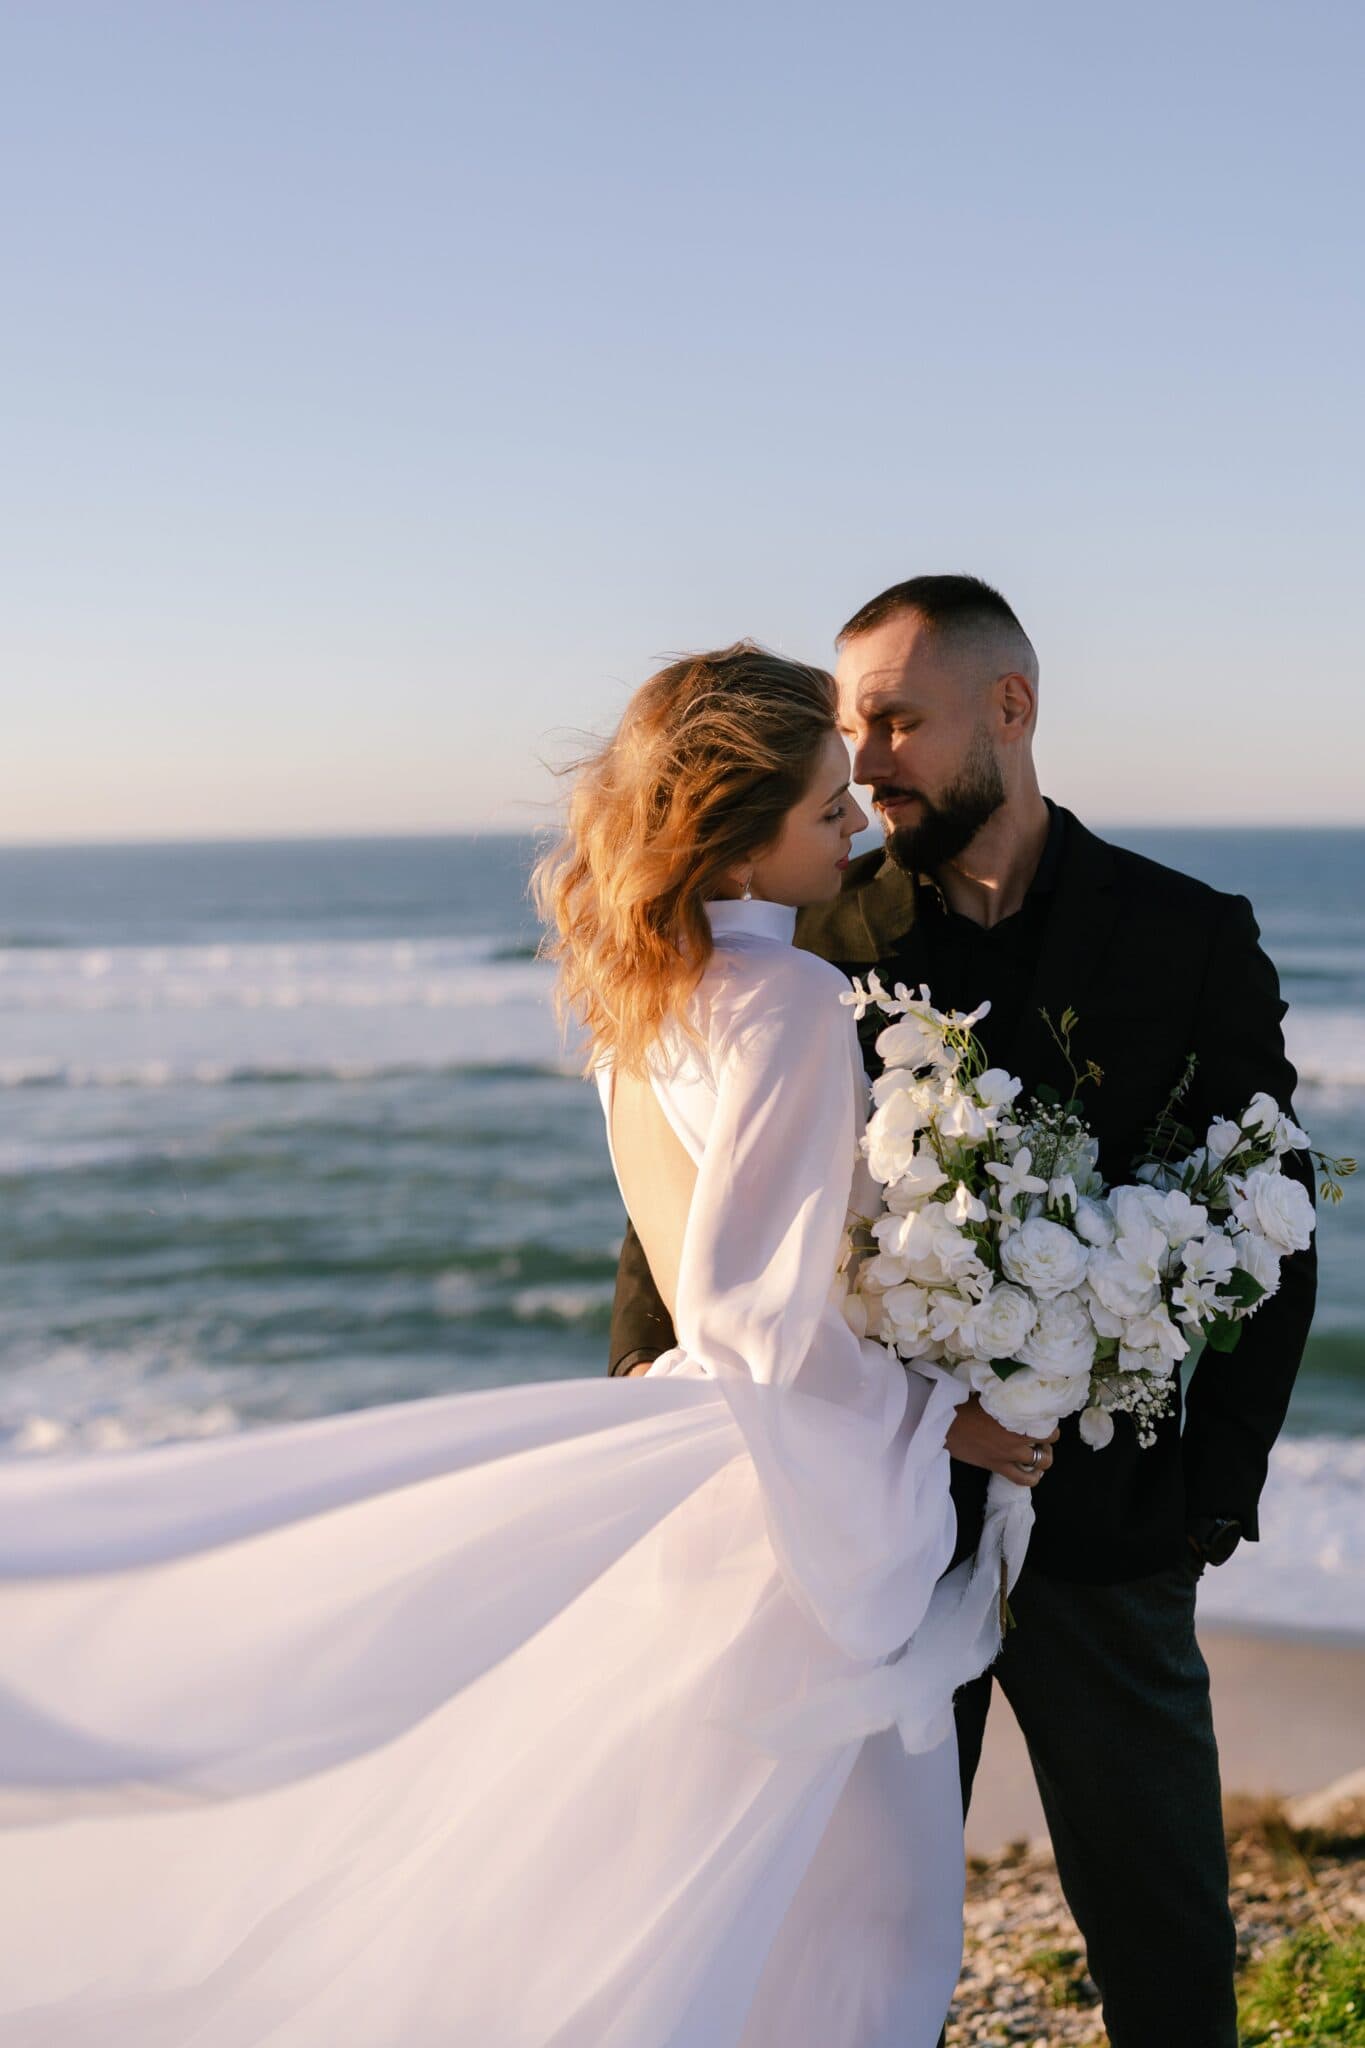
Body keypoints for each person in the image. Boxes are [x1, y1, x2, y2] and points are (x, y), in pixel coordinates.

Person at [0, 642, 1045, 2048]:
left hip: (695, 1493)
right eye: (820, 813)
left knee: (678, 1880)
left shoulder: (644, 995)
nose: (854, 823)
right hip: (796, 1509)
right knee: (854, 1914)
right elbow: (756, 1334)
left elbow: (699, 1291)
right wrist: (946, 1419)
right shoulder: (792, 1004)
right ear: (732, 847)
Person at [611, 579, 1318, 2048]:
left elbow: (1276, 1215)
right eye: (850, 727)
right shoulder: (815, 935)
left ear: (1011, 708)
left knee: (1165, 1936)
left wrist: (1206, 1499)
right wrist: (674, 1454)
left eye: (895, 720)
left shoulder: (1185, 935)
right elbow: (689, 1226)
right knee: (869, 1931)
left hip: (1108, 1526)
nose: (863, 760)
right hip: (873, 1532)